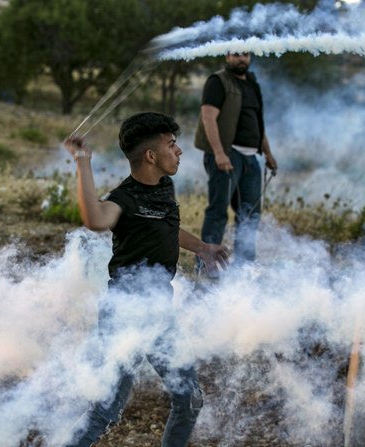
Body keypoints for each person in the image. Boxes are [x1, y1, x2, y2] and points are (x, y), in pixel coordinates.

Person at [63, 112, 229, 447]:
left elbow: (165, 227)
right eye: (172, 145)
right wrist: (83, 161)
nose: (179, 151)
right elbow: (95, 219)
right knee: (106, 411)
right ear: (151, 156)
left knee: (190, 399)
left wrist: (202, 248)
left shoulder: (164, 187)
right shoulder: (124, 199)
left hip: (159, 311)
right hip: (125, 312)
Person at [194, 51, 278, 272]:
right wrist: (219, 153)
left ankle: (244, 268)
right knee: (218, 211)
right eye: (236, 54)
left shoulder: (252, 83)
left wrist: (267, 153)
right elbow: (208, 118)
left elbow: (257, 124)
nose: (242, 59)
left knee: (250, 214)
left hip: (252, 157)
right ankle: (207, 266)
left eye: (245, 54)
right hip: (227, 155)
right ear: (227, 56)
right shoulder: (218, 81)